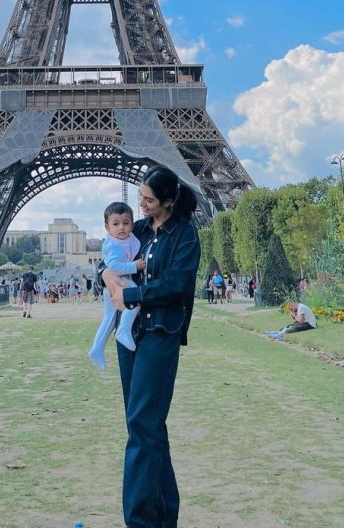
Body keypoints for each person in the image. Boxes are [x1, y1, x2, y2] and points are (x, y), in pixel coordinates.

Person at [100, 165, 201, 528]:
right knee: (146, 425)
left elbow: (177, 285)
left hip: (161, 332)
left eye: (148, 199)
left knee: (143, 423)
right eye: (140, 196)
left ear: (169, 200)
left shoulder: (185, 235)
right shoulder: (138, 229)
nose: (140, 204)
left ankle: (142, 521)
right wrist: (105, 274)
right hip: (130, 335)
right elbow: (112, 255)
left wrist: (132, 294)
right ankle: (161, 517)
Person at [87, 201, 146, 370]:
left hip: (115, 283)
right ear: (107, 227)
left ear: (132, 224)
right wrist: (134, 266)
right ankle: (123, 330)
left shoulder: (128, 238)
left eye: (126, 223)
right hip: (120, 281)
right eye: (116, 224)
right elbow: (112, 266)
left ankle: (97, 348)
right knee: (135, 299)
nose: (122, 227)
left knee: (109, 319)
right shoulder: (113, 244)